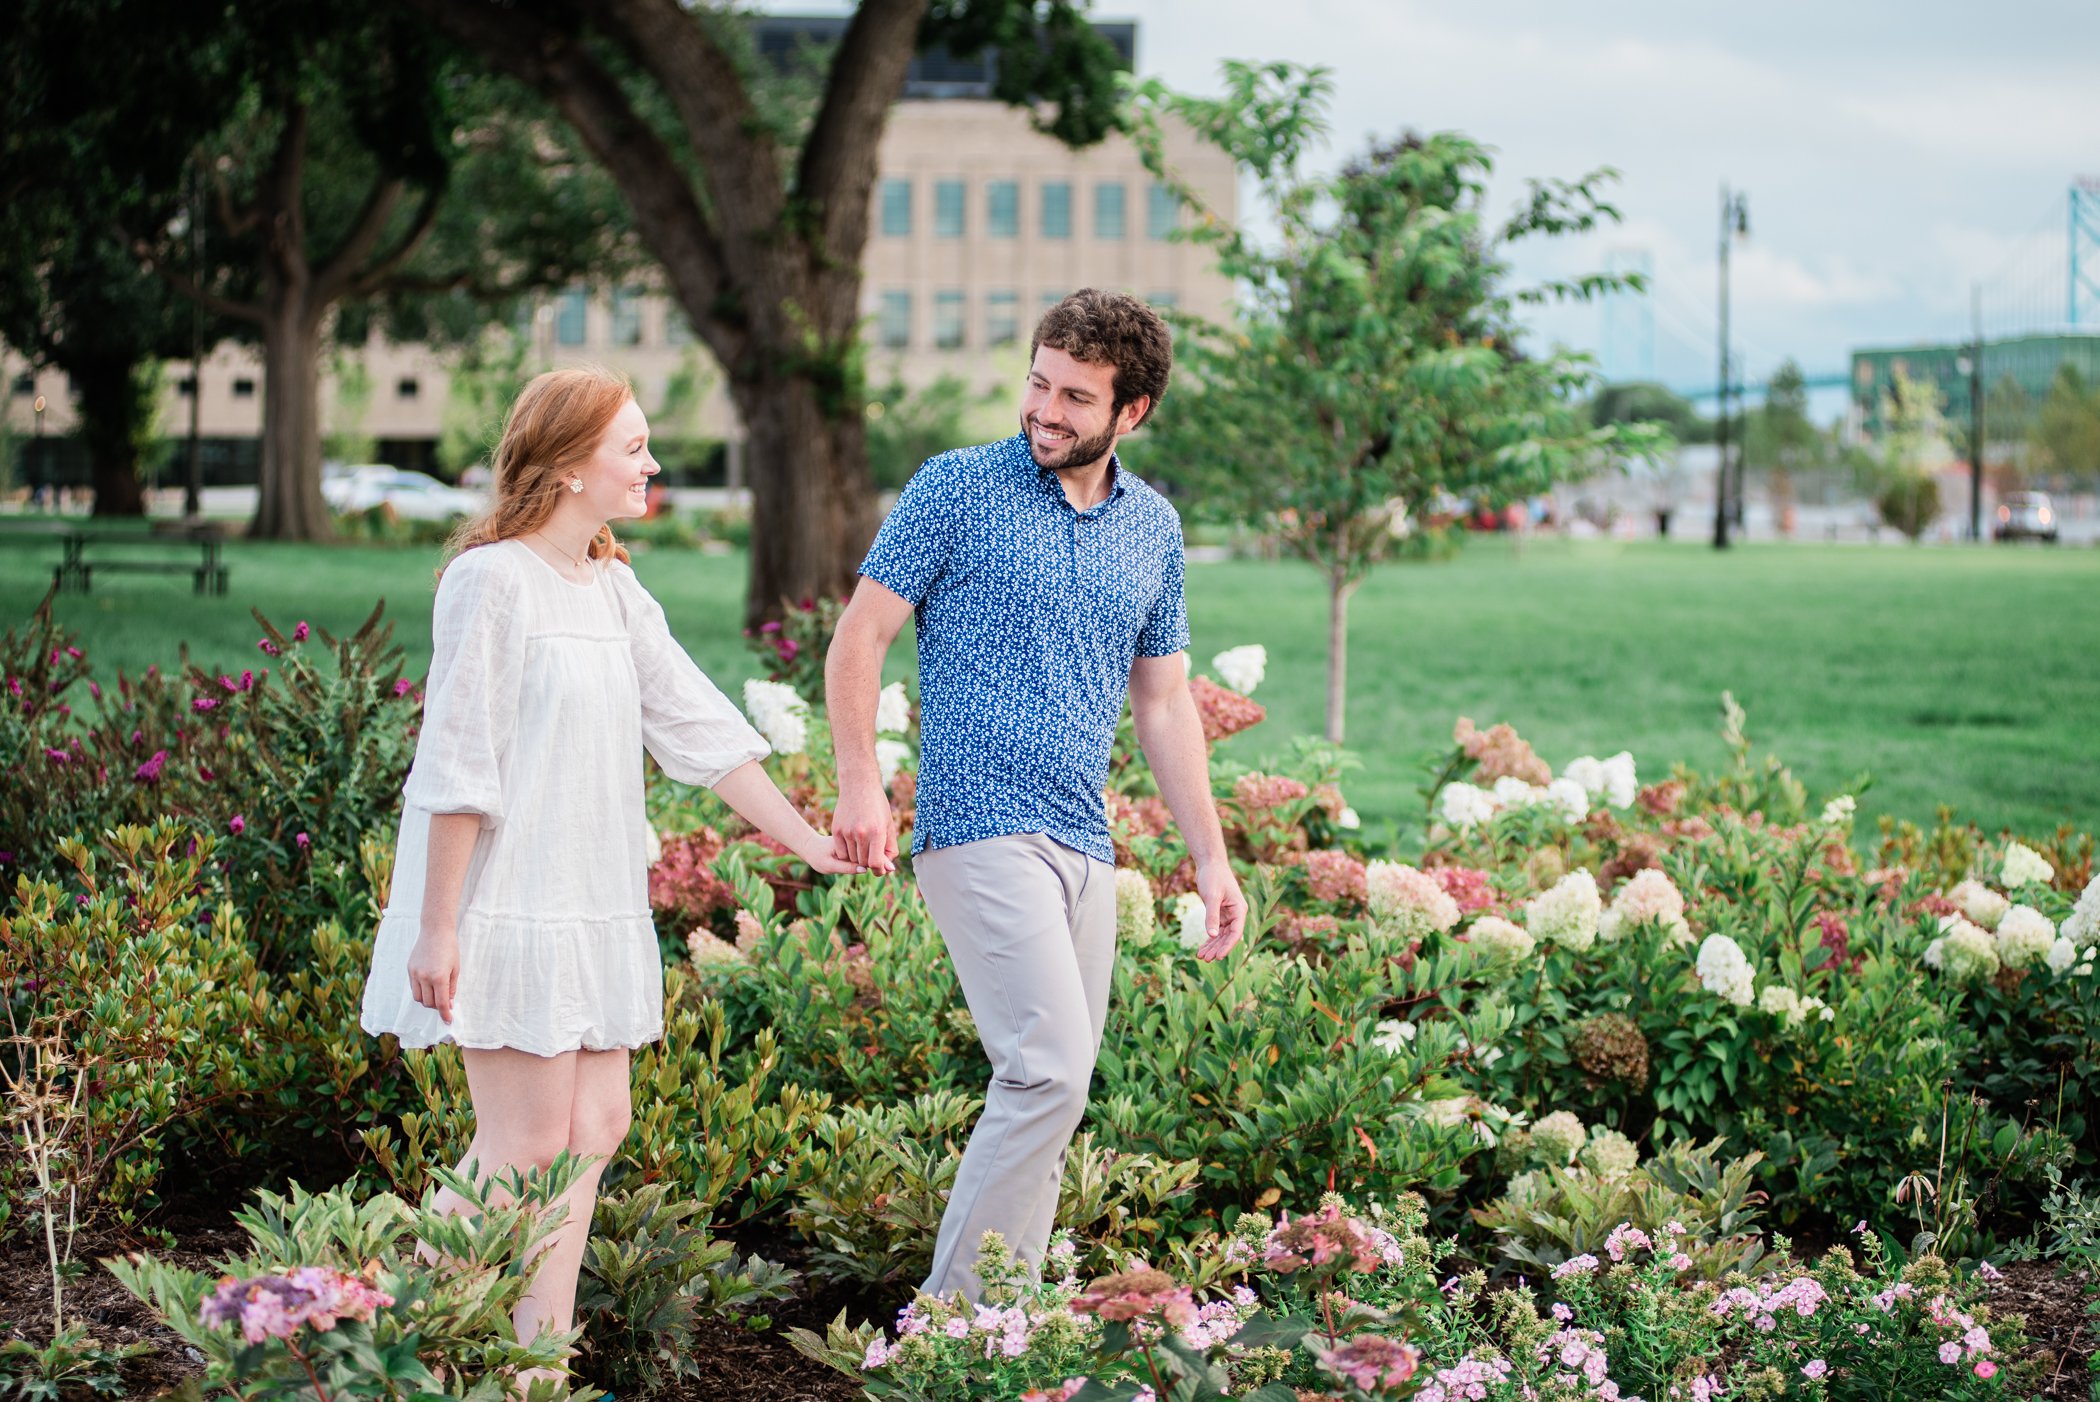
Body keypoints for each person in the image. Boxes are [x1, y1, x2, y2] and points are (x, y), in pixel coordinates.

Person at [358, 364, 860, 1383]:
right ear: (568, 460)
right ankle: (363, 1323)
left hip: (593, 899)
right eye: (633, 446)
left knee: (594, 1126)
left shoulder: (614, 587)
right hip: (506, 902)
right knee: (529, 1138)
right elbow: (459, 764)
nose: (653, 463)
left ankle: (537, 1360)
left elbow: (700, 731)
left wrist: (809, 841)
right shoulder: (491, 581)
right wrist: (438, 926)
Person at [826, 289, 1247, 1303]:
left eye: (1075, 397)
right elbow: (860, 636)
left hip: (1083, 842)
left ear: (1131, 412)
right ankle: (949, 1328)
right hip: (977, 822)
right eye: (1038, 383)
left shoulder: (1153, 527)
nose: (1046, 410)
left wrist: (1213, 853)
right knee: (1047, 1070)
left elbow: (1163, 701)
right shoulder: (956, 488)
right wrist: (861, 783)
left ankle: (1005, 1331)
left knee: (1054, 1101)